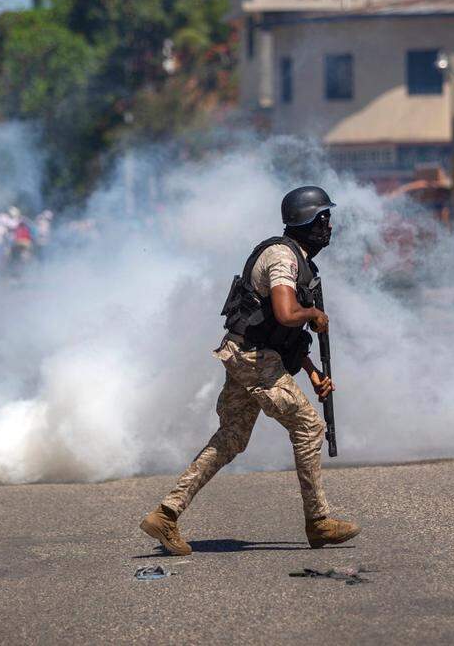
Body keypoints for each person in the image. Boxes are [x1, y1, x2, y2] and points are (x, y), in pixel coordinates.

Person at [140, 186, 361, 555]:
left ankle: (166, 514)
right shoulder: (282, 258)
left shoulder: (299, 259)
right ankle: (318, 522)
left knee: (231, 438)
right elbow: (287, 314)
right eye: (324, 219)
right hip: (254, 360)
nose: (329, 226)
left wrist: (311, 371)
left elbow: (283, 334)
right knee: (309, 427)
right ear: (307, 220)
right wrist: (314, 314)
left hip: (248, 355)